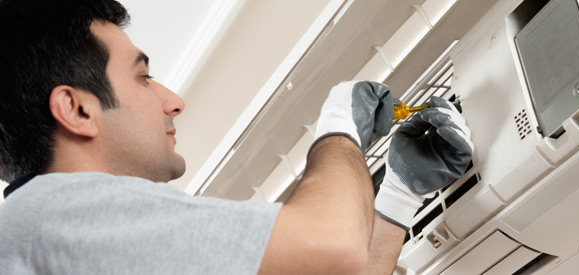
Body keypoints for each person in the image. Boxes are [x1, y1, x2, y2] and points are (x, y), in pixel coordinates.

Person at [0, 0, 473, 274]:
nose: (173, 100)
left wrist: (395, 196)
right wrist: (337, 131)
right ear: (77, 109)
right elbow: (333, 247)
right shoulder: (56, 216)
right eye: (143, 78)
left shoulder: (74, 241)